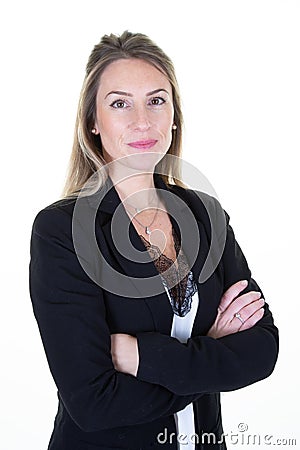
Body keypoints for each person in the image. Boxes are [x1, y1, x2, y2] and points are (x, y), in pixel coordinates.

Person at [29, 31, 279, 450]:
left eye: (157, 100)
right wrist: (212, 353)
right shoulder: (61, 230)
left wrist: (142, 357)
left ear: (174, 114)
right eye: (120, 103)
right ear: (93, 121)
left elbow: (262, 350)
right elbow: (92, 402)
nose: (142, 120)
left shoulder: (206, 215)